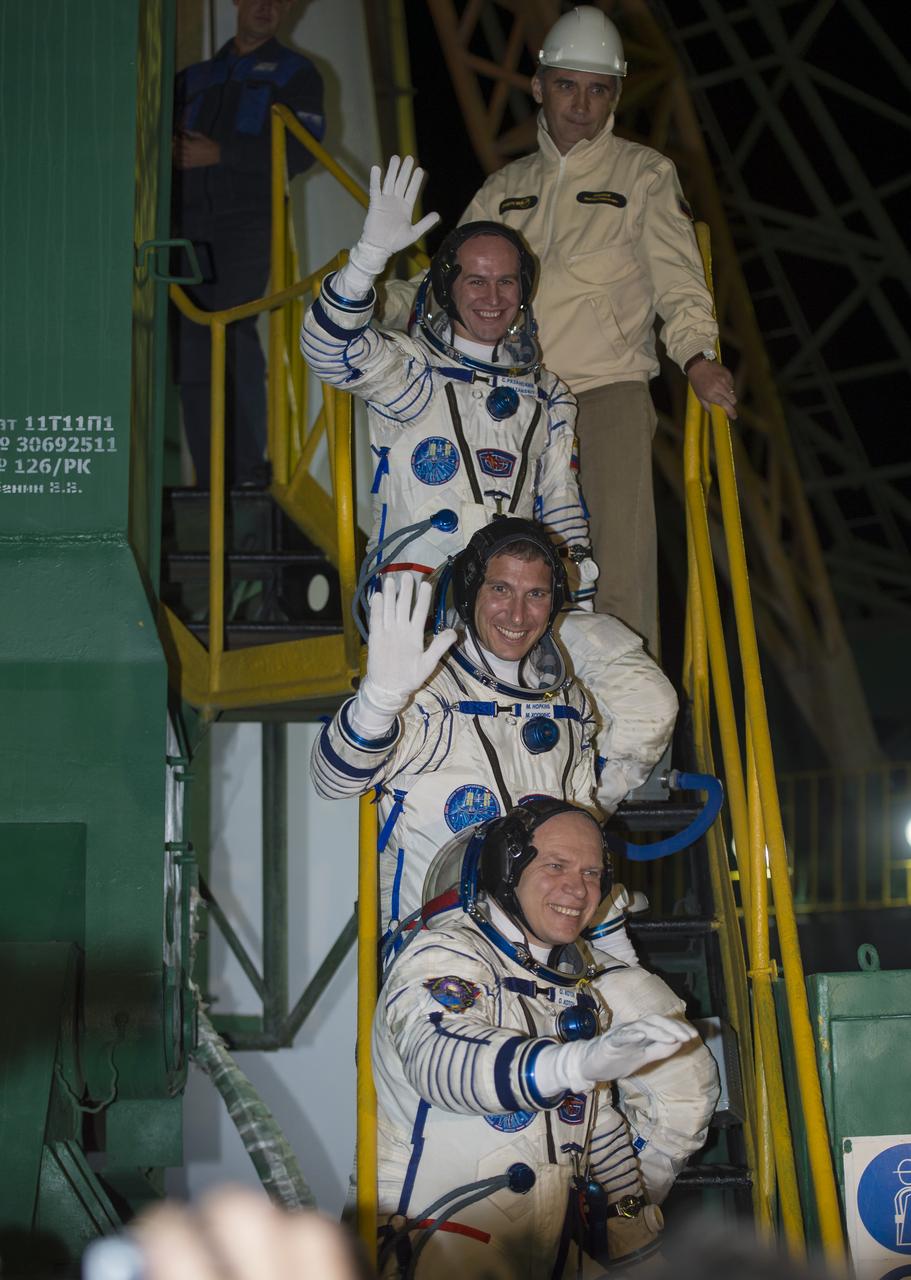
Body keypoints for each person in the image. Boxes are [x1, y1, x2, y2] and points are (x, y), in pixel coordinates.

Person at [300, 155, 678, 819]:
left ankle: (578, 826)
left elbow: (560, 512)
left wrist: (573, 604)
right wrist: (366, 258)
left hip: (529, 604)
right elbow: (328, 348)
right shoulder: (411, 371)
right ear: (446, 288)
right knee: (439, 759)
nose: (491, 296)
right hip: (429, 604)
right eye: (474, 280)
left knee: (649, 703)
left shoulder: (547, 395)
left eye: (506, 282)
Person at [458, 6, 738, 656]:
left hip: (604, 393)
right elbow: (453, 283)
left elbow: (677, 277)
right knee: (510, 573)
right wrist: (363, 296)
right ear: (538, 86)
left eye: (597, 89)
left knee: (619, 574)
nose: (580, 104)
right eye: (566, 85)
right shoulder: (504, 189)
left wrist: (696, 355)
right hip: (515, 405)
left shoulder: (642, 174)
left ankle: (630, 738)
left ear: (613, 95)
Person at [373, 799, 720, 1278]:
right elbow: (439, 1058)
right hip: (430, 1243)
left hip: (539, 1249)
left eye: (593, 873)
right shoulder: (443, 954)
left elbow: (598, 1131)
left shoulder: (571, 990)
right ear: (505, 871)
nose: (578, 888)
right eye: (556, 865)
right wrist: (572, 1066)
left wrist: (634, 1242)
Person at [311, 519, 674, 962]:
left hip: (545, 961)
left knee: (654, 1014)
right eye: (500, 590)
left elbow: (577, 835)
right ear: (470, 594)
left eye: (536, 595)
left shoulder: (569, 704)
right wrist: (379, 702)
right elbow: (332, 783)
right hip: (441, 957)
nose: (518, 615)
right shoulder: (429, 694)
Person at [172, 0, 325, 487]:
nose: (266, 7)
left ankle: (243, 472)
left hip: (247, 222)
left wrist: (221, 154)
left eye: (279, 0)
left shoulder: (297, 73)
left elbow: (303, 150)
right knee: (194, 345)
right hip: (186, 224)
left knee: (233, 333)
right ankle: (208, 477)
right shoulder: (191, 78)